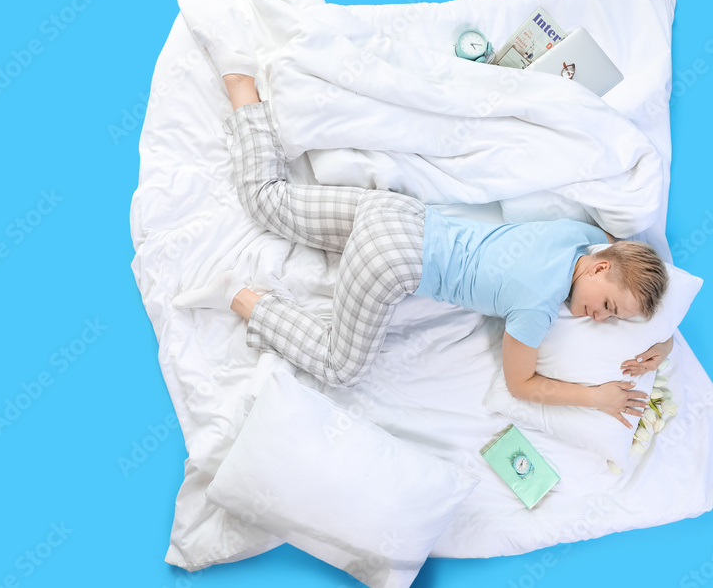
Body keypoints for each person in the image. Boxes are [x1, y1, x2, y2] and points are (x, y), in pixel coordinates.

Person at [173, 71, 673, 429]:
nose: (599, 319)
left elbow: (638, 255)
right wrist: (597, 396)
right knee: (339, 368)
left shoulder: (577, 234)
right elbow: (523, 385)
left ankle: (243, 93)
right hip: (394, 262)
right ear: (602, 266)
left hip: (398, 216)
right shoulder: (536, 309)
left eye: (612, 318)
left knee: (270, 204)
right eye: (608, 306)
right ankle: (239, 296)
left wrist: (662, 338)